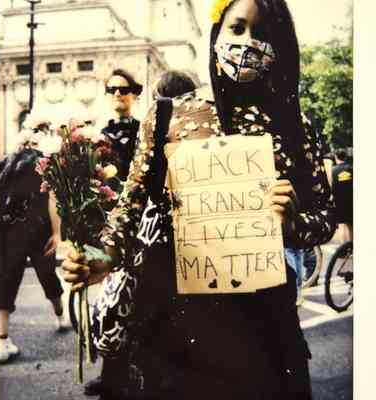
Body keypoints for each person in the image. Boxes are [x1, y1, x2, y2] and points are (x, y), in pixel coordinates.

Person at [63, 1, 336, 399]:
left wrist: (293, 222)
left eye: (263, 34)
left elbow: (325, 217)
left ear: (281, 45)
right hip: (173, 320)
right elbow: (129, 208)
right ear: (217, 34)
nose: (248, 43)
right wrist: (98, 258)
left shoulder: (295, 124)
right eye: (238, 28)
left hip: (260, 324)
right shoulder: (167, 116)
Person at [83, 69, 143, 397]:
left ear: (135, 93)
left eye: (125, 89)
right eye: (113, 89)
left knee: (130, 299)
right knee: (109, 300)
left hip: (134, 223)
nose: (118, 94)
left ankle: (128, 373)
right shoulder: (100, 135)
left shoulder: (143, 130)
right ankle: (109, 373)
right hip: (106, 224)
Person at [0, 135, 65, 363]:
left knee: (6, 280)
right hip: (39, 232)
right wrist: (57, 234)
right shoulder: (43, 165)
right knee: (48, 276)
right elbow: (53, 200)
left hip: (11, 232)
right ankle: (60, 315)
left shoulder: (5, 166)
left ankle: (1, 341)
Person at [332, 148, 353, 242]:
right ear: (345, 157)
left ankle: (343, 250)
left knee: (342, 225)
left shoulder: (333, 171)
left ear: (336, 157)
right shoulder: (351, 168)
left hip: (339, 201)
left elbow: (330, 185)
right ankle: (351, 247)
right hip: (351, 200)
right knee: (351, 224)